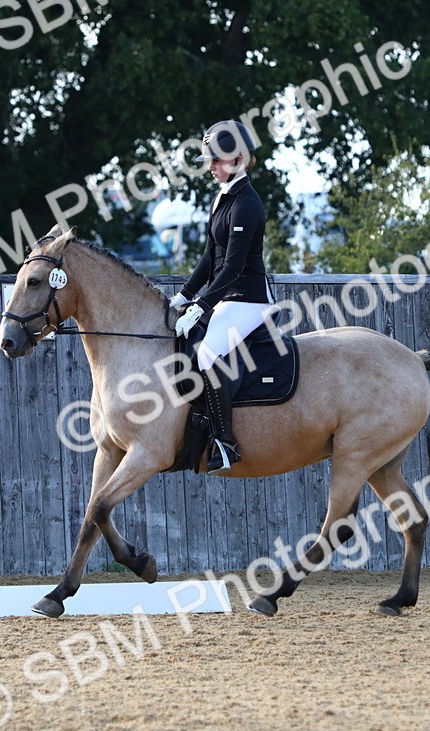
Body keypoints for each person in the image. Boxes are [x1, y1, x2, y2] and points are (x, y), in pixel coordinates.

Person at [170, 120, 277, 475]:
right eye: (210, 161)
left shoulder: (247, 204)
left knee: (207, 351)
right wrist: (183, 295)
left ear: (237, 159)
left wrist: (200, 305)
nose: (211, 167)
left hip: (247, 298)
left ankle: (225, 443)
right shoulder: (224, 196)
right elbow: (208, 257)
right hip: (226, 296)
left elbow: (231, 268)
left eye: (216, 161)